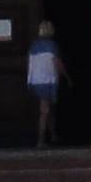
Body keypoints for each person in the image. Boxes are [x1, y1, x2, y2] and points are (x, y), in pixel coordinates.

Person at [25, 19, 64, 148]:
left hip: (36, 81)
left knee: (49, 108)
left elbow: (30, 64)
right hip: (47, 80)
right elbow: (57, 64)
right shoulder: (53, 46)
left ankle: (53, 134)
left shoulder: (33, 46)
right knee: (45, 111)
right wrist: (67, 77)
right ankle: (40, 140)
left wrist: (29, 80)